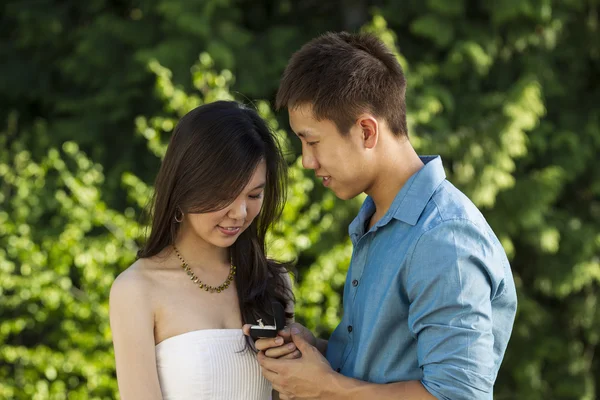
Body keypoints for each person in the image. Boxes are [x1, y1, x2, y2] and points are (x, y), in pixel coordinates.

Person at [244, 32, 518, 400]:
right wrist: (318, 353)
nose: (307, 161)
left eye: (312, 141)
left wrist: (326, 388)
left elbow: (456, 395)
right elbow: (382, 368)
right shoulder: (379, 220)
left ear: (366, 131)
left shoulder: (444, 238)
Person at [109, 101, 296, 400]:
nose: (240, 212)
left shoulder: (272, 282)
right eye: (225, 195)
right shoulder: (136, 289)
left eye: (254, 194)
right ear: (185, 186)